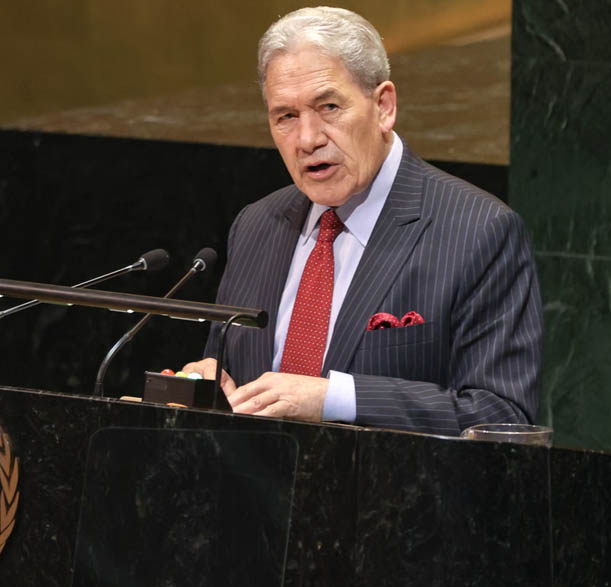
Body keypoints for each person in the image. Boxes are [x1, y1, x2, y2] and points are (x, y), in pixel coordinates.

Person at [182, 6, 542, 436]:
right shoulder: (257, 224)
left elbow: (501, 415)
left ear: (384, 106)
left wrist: (333, 399)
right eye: (286, 116)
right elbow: (235, 378)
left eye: (329, 107)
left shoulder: (478, 230)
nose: (308, 139)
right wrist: (207, 383)